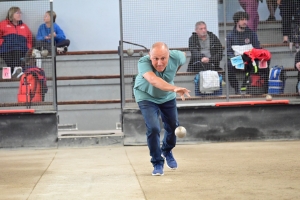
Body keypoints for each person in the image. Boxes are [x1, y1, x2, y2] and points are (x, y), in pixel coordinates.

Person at [133, 42, 191, 176]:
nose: (159, 63)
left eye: (163, 58)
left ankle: (167, 150)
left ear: (169, 56)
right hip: (145, 95)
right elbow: (153, 81)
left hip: (166, 96)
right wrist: (174, 88)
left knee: (173, 125)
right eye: (155, 59)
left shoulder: (176, 57)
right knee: (153, 128)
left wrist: (174, 70)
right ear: (149, 56)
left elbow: (183, 55)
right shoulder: (143, 62)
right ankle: (157, 162)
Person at [227, 11, 262, 94]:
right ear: (236, 21)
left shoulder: (252, 34)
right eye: (242, 20)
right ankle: (236, 88)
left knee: (257, 63)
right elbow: (228, 52)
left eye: (246, 19)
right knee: (228, 65)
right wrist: (239, 61)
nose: (245, 22)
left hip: (250, 59)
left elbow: (257, 48)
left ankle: (247, 86)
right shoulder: (230, 36)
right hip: (238, 60)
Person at [0, 6, 32, 75]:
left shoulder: (24, 26)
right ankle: (15, 71)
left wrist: (29, 47)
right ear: (12, 14)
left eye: (20, 13)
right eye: (17, 13)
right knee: (7, 56)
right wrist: (1, 43)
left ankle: (14, 72)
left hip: (20, 48)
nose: (19, 14)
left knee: (17, 52)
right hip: (6, 48)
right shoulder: (3, 24)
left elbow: (29, 38)